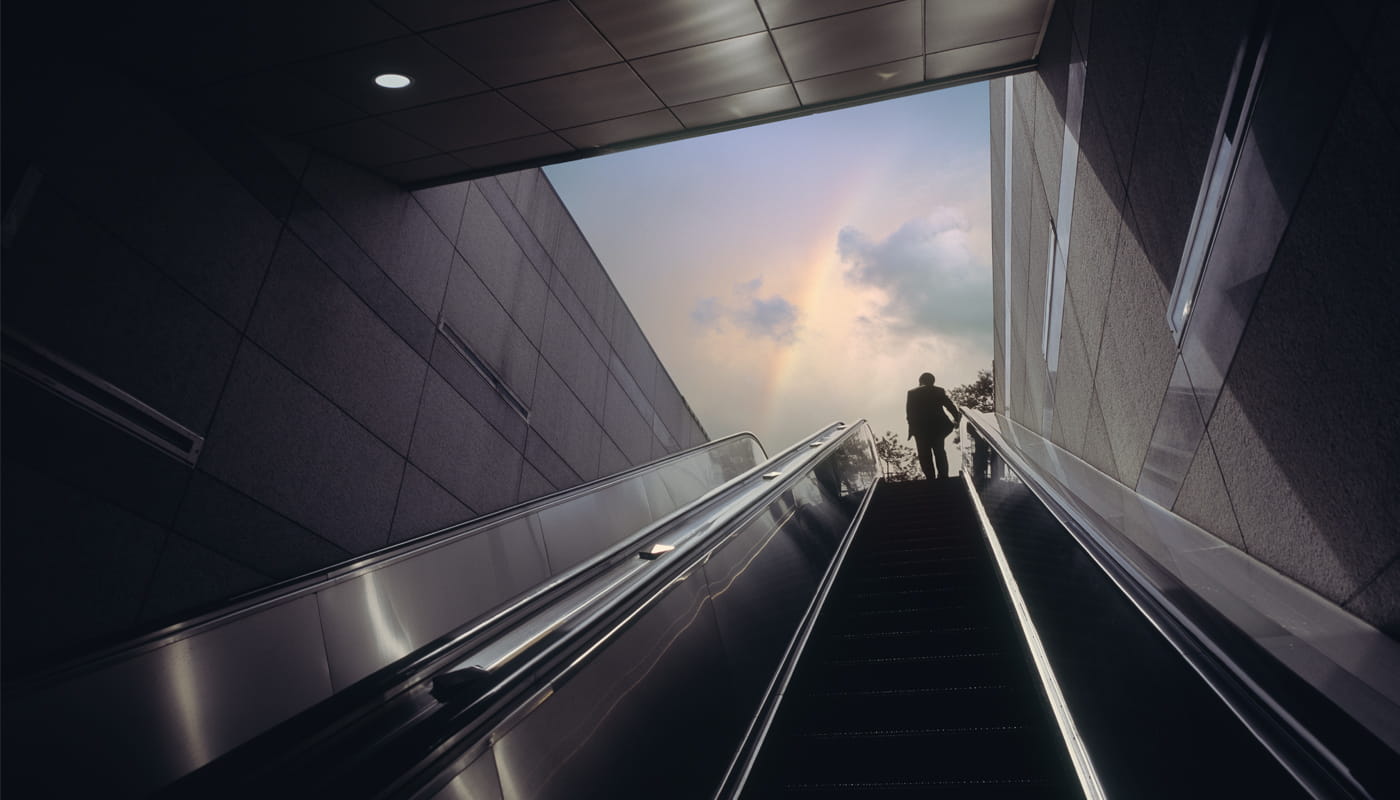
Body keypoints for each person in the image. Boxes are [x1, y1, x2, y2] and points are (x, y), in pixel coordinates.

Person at [906, 372, 961, 481]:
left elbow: (910, 413)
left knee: (924, 454)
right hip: (938, 428)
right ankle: (943, 476)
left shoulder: (912, 393)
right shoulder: (939, 391)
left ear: (920, 381)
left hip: (921, 429)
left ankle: (930, 477)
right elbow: (949, 405)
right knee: (939, 450)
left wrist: (912, 429)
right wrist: (957, 418)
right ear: (933, 381)